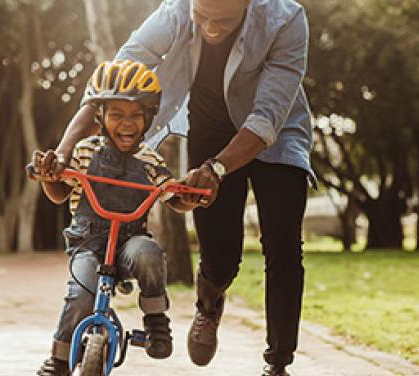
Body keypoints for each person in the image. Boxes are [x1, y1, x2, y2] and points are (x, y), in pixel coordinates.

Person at [51, 1, 314, 375]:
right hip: (210, 128)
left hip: (277, 133)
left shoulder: (286, 19)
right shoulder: (175, 11)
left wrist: (217, 168)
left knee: (284, 246)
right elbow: (114, 80)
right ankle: (209, 304)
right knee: (221, 258)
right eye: (201, 16)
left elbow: (267, 115)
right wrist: (63, 152)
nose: (209, 28)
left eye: (222, 20)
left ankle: (278, 364)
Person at [32, 60, 199, 376]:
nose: (127, 123)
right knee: (81, 296)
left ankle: (156, 322)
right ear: (100, 117)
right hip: (88, 245)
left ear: (148, 118)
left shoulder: (150, 160)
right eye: (116, 114)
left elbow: (171, 195)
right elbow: (58, 193)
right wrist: (47, 175)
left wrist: (187, 197)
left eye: (136, 115)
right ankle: (58, 360)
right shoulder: (84, 151)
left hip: (128, 245)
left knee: (148, 253)